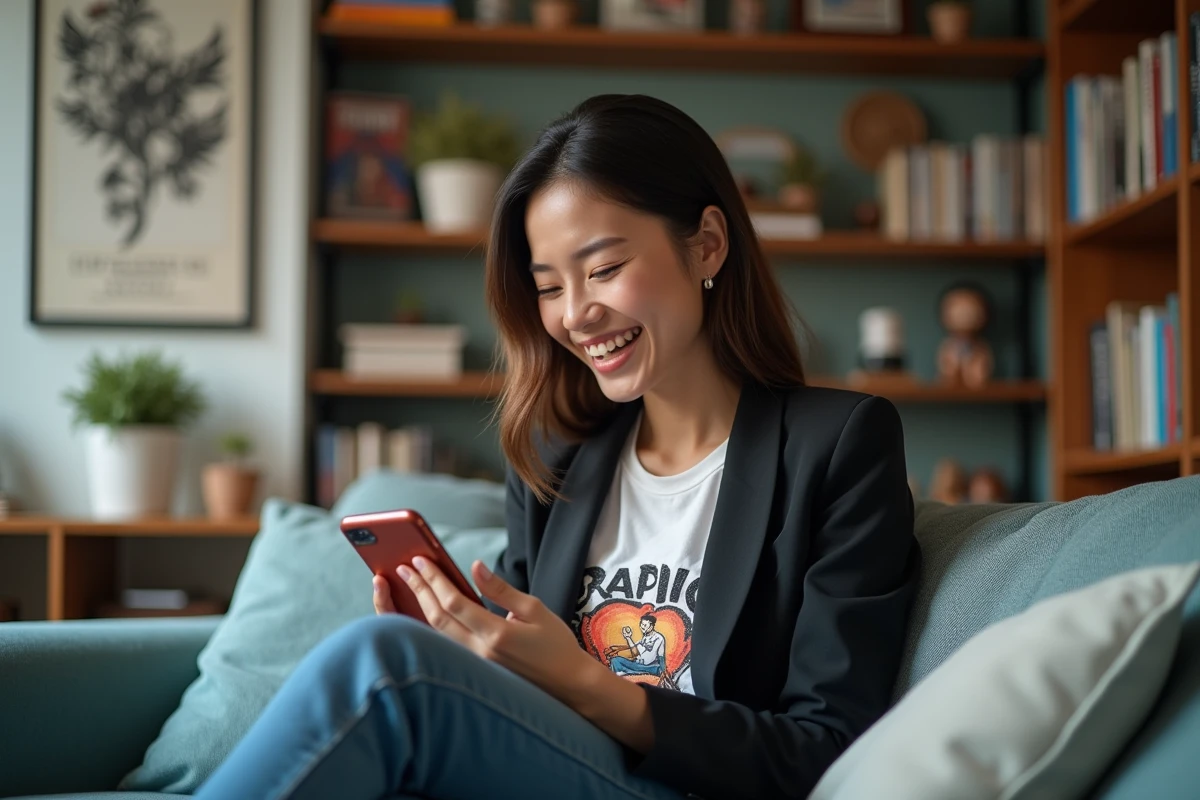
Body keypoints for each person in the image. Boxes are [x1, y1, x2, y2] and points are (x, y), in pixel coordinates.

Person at [194, 93, 921, 800]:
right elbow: (522, 690)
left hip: (691, 783)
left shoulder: (839, 447)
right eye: (549, 287)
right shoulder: (559, 454)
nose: (576, 315)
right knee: (398, 666)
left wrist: (586, 683)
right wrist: (460, 650)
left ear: (707, 242)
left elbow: (828, 747)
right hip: (551, 765)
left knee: (382, 666)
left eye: (603, 269)